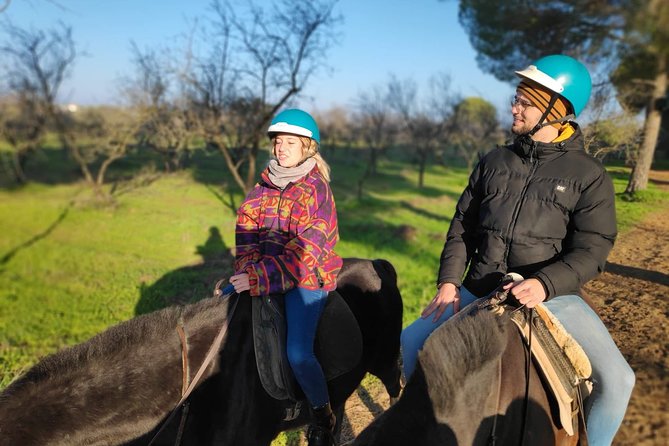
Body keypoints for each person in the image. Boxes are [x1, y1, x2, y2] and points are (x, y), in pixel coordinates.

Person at [400, 55, 635, 446]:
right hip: (481, 286)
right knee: (411, 342)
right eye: (516, 99)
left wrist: (544, 284)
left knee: (619, 380)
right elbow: (462, 227)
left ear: (557, 111)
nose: (514, 108)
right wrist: (448, 282)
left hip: (551, 296)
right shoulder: (493, 161)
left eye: (524, 102)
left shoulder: (590, 176)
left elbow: (592, 249)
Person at [225, 109, 342, 446]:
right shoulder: (260, 189)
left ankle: (322, 415)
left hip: (307, 276)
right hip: (267, 272)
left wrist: (258, 278)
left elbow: (306, 253)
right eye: (278, 142)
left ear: (308, 147)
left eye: (290, 142)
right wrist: (248, 271)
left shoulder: (315, 191)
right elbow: (246, 235)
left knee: (297, 353)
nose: (281, 148)